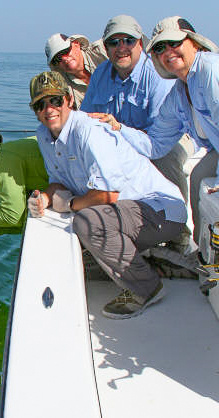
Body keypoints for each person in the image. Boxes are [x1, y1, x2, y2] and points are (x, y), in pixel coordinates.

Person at [27, 71, 187, 319]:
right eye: (40, 105)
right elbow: (57, 181)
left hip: (160, 210)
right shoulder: (43, 135)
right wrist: (45, 199)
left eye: (55, 101)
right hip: (124, 214)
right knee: (79, 255)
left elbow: (108, 195)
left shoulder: (90, 131)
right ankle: (155, 261)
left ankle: (148, 288)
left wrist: (68, 203)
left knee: (88, 223)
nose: (49, 109)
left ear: (69, 99)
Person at [81, 14, 194, 253]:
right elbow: (85, 120)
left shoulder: (156, 73)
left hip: (165, 138)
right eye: (114, 42)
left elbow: (159, 138)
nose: (121, 47)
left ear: (140, 43)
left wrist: (122, 139)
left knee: (167, 158)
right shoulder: (100, 74)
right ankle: (120, 231)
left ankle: (179, 234)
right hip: (121, 140)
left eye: (128, 40)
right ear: (106, 48)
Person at [102, 16, 219, 245]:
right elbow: (155, 145)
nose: (168, 51)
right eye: (159, 47)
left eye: (174, 43)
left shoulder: (211, 71)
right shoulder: (178, 94)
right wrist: (118, 128)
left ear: (194, 43)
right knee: (198, 178)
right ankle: (204, 257)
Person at [45, 33, 107, 109]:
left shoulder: (102, 50)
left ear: (76, 44)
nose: (64, 58)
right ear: (56, 65)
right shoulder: (62, 87)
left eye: (65, 52)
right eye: (58, 58)